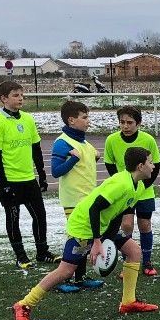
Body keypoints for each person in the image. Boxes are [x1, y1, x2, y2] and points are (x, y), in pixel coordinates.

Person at [12, 147, 160, 320]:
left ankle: (128, 302)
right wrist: (97, 242)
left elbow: (118, 213)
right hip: (83, 227)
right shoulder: (121, 184)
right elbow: (94, 208)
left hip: (102, 226)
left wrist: (108, 239)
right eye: (150, 162)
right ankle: (24, 304)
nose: (153, 166)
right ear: (140, 166)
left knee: (134, 251)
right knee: (66, 271)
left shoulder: (137, 187)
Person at [0, 80, 55, 269]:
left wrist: (41, 174)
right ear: (3, 99)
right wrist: (3, 183)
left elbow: (36, 148)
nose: (20, 98)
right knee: (13, 217)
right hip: (8, 180)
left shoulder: (28, 119)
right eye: (15, 95)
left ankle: (42, 252)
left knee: (40, 215)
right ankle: (21, 256)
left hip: (28, 178)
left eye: (21, 95)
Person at [49, 100, 105, 292]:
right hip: (73, 200)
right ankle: (63, 278)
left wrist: (93, 155)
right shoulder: (62, 142)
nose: (88, 121)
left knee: (85, 239)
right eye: (85, 117)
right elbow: (56, 171)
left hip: (87, 199)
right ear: (71, 120)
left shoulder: (84, 143)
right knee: (76, 239)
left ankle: (79, 278)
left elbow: (85, 159)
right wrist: (73, 159)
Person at [103, 106, 160, 276]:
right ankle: (128, 263)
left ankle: (147, 262)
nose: (125, 126)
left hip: (144, 191)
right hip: (124, 193)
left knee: (144, 225)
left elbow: (156, 165)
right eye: (122, 122)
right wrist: (122, 186)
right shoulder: (111, 140)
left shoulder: (148, 140)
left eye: (130, 122)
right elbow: (109, 164)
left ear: (138, 123)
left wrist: (143, 185)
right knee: (126, 225)